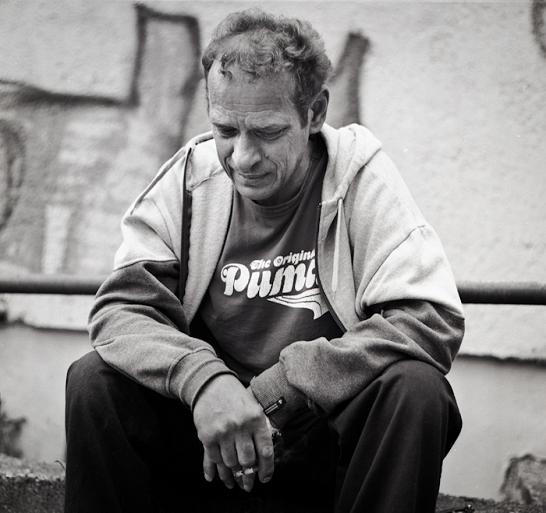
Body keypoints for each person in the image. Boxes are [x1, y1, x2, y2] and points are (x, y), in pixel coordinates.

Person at [65, 9, 464, 513]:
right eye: (225, 129)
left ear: (314, 113)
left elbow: (430, 320)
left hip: (318, 446)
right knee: (94, 380)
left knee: (416, 389)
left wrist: (284, 387)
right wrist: (204, 381)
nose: (243, 157)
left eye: (268, 132)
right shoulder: (189, 182)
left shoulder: (360, 180)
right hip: (208, 441)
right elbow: (120, 312)